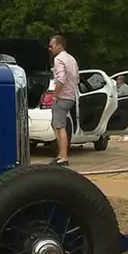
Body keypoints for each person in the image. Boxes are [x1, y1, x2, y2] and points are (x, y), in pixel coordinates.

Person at [48, 35, 79, 166]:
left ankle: (63, 156)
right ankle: (61, 154)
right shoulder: (71, 59)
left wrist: (55, 95)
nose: (50, 49)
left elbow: (61, 79)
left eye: (51, 46)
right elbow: (77, 78)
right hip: (71, 96)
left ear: (59, 46)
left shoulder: (59, 59)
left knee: (60, 126)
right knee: (58, 124)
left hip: (62, 97)